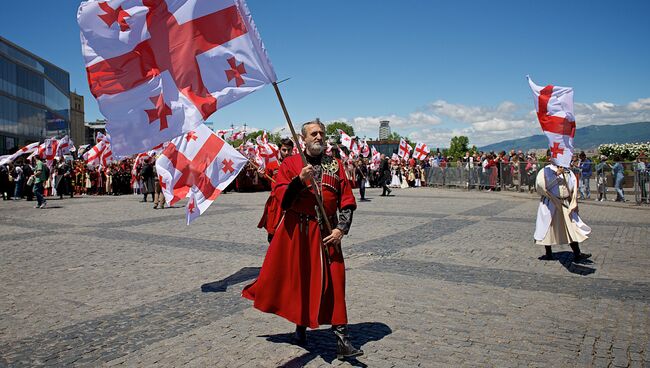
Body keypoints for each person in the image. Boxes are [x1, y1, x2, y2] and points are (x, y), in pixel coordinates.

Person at [243, 120, 363, 360]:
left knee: (337, 281)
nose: (319, 137)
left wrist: (341, 228)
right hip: (299, 231)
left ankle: (342, 339)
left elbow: (347, 201)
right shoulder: (291, 163)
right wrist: (298, 181)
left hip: (328, 232)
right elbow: (282, 200)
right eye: (314, 134)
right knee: (302, 279)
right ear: (303, 138)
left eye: (322, 133)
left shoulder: (335, 165)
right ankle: (301, 326)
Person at [535, 162, 592, 262]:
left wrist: (573, 199)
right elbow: (541, 186)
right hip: (551, 203)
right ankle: (548, 253)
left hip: (565, 203)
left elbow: (573, 185)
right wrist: (556, 175)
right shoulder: (546, 170)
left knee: (571, 227)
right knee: (548, 228)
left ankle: (577, 253)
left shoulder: (567, 171)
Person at [257, 138, 294, 242]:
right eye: (284, 150)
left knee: (290, 233)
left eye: (289, 150)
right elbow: (265, 184)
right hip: (275, 203)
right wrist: (261, 176)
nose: (287, 153)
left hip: (291, 203)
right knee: (273, 234)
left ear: (292, 150)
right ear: (279, 150)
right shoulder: (272, 165)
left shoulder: (296, 164)